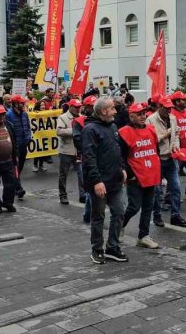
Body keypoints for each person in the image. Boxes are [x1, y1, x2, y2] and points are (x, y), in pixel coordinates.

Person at [81, 97, 128, 264]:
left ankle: (112, 247)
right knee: (98, 217)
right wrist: (96, 181)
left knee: (119, 212)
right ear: (103, 111)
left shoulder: (113, 126)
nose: (115, 111)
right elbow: (89, 158)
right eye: (112, 109)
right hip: (100, 183)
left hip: (115, 181)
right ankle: (97, 249)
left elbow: (117, 150)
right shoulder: (90, 130)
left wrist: (122, 169)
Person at [119, 102, 162, 250]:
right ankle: (120, 226)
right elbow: (121, 157)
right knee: (134, 207)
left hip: (150, 174)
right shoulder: (124, 132)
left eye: (144, 113)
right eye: (139, 114)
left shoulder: (151, 129)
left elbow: (155, 150)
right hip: (135, 176)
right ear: (131, 116)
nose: (143, 116)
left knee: (148, 207)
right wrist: (129, 174)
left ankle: (143, 236)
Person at [148, 97, 186, 227]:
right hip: (158, 158)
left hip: (171, 158)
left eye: (170, 108)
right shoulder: (151, 120)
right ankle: (157, 215)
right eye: (166, 108)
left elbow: (176, 133)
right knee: (158, 191)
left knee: (176, 188)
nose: (169, 111)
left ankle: (175, 215)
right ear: (159, 107)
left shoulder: (172, 118)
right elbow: (150, 141)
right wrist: (166, 134)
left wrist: (176, 145)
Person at [0, 105, 18, 214]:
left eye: (3, 114)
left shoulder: (9, 125)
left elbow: (14, 141)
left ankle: (8, 203)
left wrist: (16, 155)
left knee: (10, 184)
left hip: (8, 160)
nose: (2, 117)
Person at [73, 96, 98, 222]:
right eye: (92, 106)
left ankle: (91, 214)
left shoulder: (101, 120)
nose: (94, 109)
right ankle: (89, 214)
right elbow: (77, 141)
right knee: (89, 186)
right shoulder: (79, 122)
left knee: (95, 187)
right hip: (86, 158)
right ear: (86, 107)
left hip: (100, 158)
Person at [56, 98, 84, 205]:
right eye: (76, 107)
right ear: (70, 107)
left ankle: (82, 195)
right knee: (63, 174)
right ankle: (63, 195)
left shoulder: (82, 117)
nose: (78, 109)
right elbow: (59, 131)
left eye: (79, 107)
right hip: (66, 150)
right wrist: (75, 131)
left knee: (81, 174)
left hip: (79, 151)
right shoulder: (63, 117)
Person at [170, 92, 186, 201]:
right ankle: (173, 195)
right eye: (182, 100)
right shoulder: (171, 113)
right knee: (174, 173)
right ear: (177, 102)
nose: (185, 101)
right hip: (178, 149)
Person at [6, 95, 32, 200]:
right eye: (22, 103)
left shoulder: (25, 114)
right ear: (16, 104)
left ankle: (13, 183)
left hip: (23, 145)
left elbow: (28, 127)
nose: (24, 104)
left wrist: (28, 137)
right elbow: (8, 131)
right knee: (15, 167)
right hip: (14, 146)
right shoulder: (9, 115)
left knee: (19, 167)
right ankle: (18, 188)